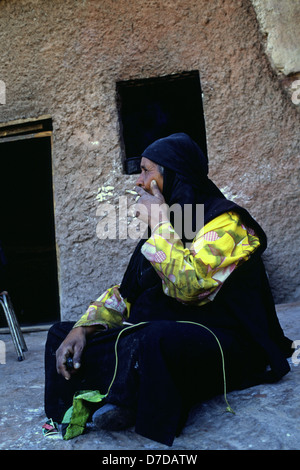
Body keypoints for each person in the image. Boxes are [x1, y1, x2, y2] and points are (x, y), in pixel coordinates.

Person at [44, 133, 293, 446]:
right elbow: (127, 294)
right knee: (60, 334)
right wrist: (83, 329)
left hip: (223, 340)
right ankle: (110, 399)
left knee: (153, 339)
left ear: (174, 175)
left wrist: (161, 224)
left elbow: (191, 287)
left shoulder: (225, 222)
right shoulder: (169, 227)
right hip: (166, 335)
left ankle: (129, 404)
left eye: (147, 171)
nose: (138, 182)